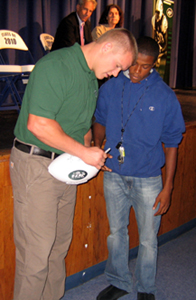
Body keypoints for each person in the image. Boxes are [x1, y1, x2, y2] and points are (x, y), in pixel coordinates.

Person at [9, 28, 138, 300]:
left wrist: (92, 155)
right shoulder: (56, 66)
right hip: (37, 165)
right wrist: (83, 151)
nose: (116, 74)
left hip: (65, 168)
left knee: (57, 249)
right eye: (117, 66)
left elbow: (81, 128)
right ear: (105, 48)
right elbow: (39, 124)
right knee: (36, 256)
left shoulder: (91, 78)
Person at [93, 36, 185, 300]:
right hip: (114, 175)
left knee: (147, 239)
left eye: (144, 67)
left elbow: (172, 144)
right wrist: (99, 148)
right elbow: (99, 120)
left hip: (148, 179)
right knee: (116, 234)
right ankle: (119, 281)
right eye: (133, 64)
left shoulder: (165, 96)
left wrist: (168, 187)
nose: (136, 71)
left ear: (154, 65)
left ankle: (146, 288)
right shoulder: (110, 87)